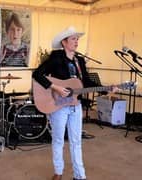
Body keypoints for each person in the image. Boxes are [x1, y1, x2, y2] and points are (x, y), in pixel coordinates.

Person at [32, 26, 97, 180]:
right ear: (64, 42)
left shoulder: (79, 60)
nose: (77, 42)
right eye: (73, 39)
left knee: (76, 141)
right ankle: (58, 172)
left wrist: (106, 89)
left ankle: (80, 175)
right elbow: (37, 74)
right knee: (59, 139)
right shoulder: (56, 58)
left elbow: (85, 81)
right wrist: (56, 87)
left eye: (77, 39)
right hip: (58, 105)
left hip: (75, 105)